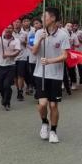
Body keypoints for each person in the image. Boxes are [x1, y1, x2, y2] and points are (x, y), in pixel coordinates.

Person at [31, 8, 70, 143]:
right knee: (42, 104)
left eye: (44, 16)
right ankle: (44, 122)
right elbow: (34, 52)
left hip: (56, 75)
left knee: (53, 105)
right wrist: (40, 40)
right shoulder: (38, 33)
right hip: (40, 73)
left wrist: (49, 61)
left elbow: (65, 55)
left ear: (52, 18)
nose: (42, 19)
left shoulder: (63, 35)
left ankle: (53, 131)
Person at [0, 23, 21, 109]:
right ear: (4, 29)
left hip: (11, 66)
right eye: (6, 28)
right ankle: (4, 97)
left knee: (6, 85)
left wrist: (8, 55)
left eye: (10, 28)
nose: (8, 30)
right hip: (0, 66)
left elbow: (17, 52)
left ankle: (7, 102)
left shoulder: (16, 41)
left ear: (13, 30)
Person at [13, 18, 29, 101]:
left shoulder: (25, 33)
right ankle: (18, 88)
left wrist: (24, 42)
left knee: (20, 75)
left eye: (18, 22)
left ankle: (20, 91)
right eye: (15, 22)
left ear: (21, 24)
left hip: (22, 57)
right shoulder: (10, 33)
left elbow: (28, 44)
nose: (16, 23)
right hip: (12, 57)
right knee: (15, 76)